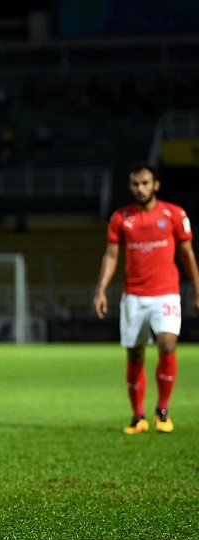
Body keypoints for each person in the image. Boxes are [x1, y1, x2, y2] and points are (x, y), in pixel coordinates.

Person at [93, 163, 199, 435]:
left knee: (166, 344)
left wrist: (198, 290)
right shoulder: (121, 218)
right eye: (135, 184)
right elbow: (112, 256)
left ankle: (162, 411)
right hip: (134, 297)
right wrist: (101, 290)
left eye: (145, 183)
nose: (140, 189)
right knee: (136, 354)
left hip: (166, 293)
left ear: (156, 185)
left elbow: (187, 254)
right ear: (130, 187)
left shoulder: (174, 214)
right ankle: (138, 416)